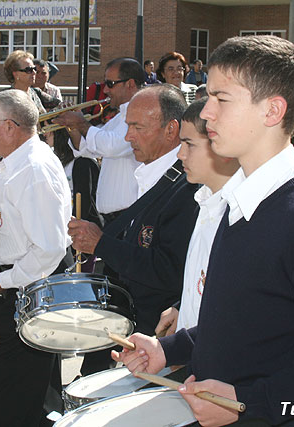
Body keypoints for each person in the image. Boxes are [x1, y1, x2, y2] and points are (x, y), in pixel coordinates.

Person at [113, 35, 294, 426]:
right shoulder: (239, 200)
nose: (207, 115)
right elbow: (241, 320)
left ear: (272, 110)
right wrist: (168, 349)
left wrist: (247, 402)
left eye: (222, 100)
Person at [68, 84, 198, 337]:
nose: (128, 137)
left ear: (171, 129)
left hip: (163, 335)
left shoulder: (188, 186)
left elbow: (170, 271)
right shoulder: (157, 175)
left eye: (138, 128)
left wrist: (101, 244)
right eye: (128, 126)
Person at [0, 89, 72, 427]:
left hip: (28, 289)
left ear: (11, 126)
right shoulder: (16, 160)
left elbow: (48, 248)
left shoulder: (32, 169)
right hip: (21, 285)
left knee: (15, 393)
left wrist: (1, 280)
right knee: (23, 389)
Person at [154, 98, 240, 338]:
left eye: (189, 144)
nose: (180, 154)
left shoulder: (238, 216)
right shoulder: (204, 201)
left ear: (220, 145)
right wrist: (183, 307)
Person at [52, 57, 143, 229]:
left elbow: (113, 146)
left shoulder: (139, 114)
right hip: (116, 217)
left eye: (110, 84)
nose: (106, 90)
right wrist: (73, 127)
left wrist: (81, 123)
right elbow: (89, 150)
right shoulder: (120, 117)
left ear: (130, 84)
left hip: (128, 214)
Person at [51, 130, 101, 273]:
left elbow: (86, 202)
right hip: (62, 230)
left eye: (49, 133)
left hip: (78, 230)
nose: (45, 136)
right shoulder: (57, 163)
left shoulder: (82, 162)